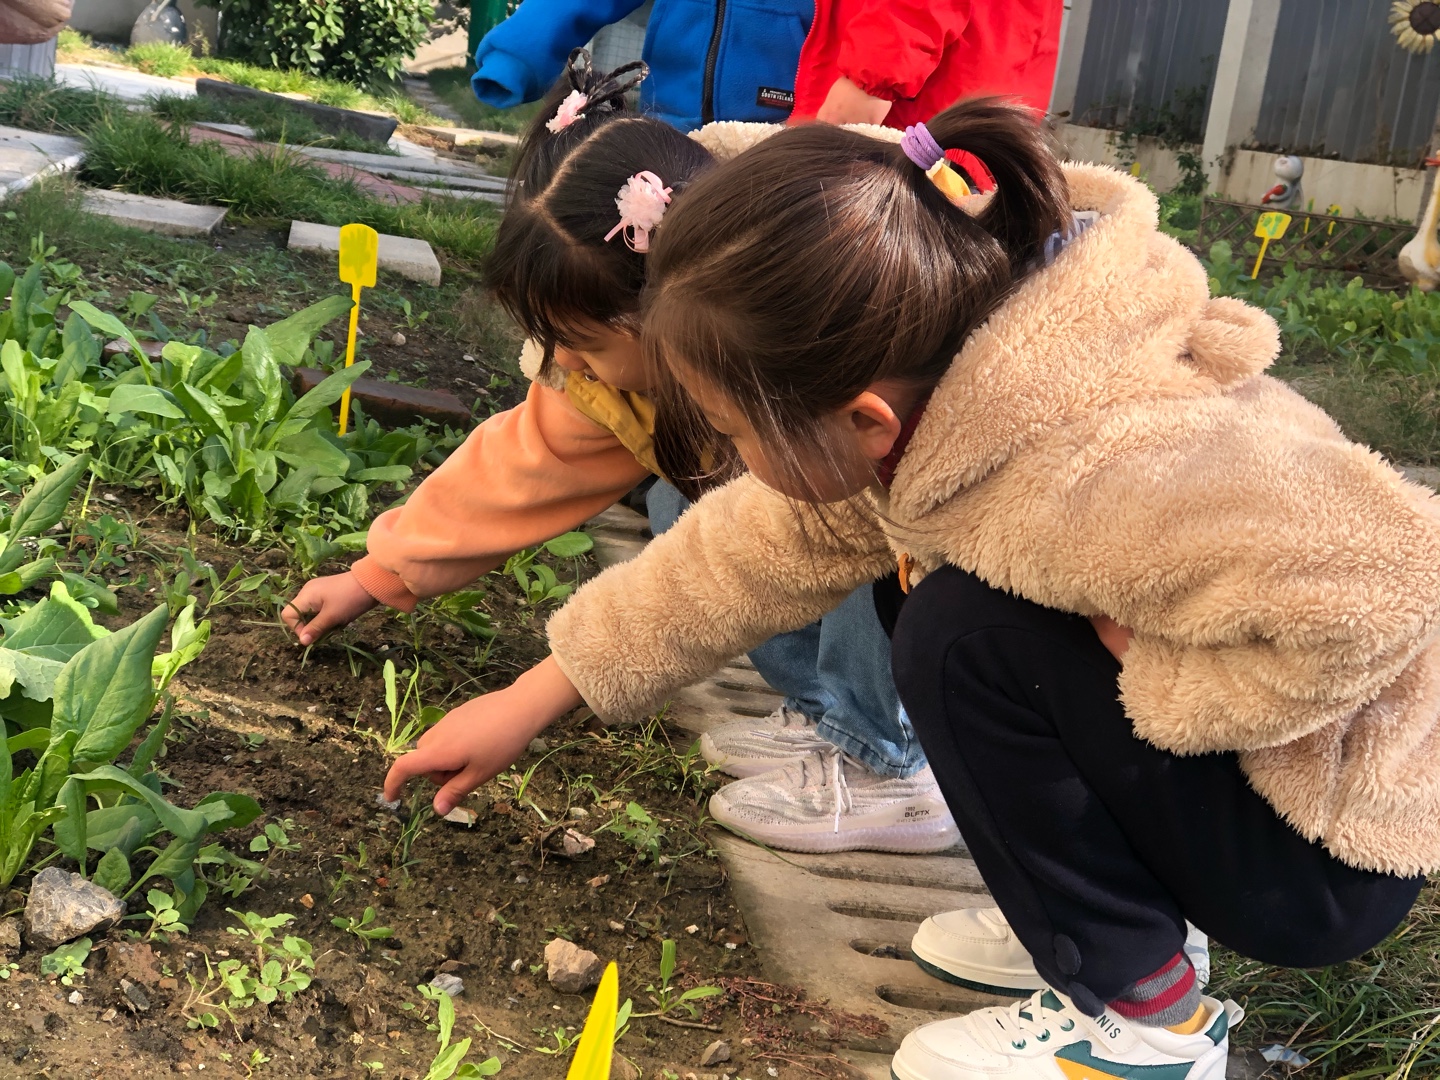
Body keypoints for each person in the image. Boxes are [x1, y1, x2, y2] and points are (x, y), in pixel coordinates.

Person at [389, 99, 1440, 1078]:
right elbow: (742, 555)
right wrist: (535, 695)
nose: (736, 463)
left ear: (864, 420)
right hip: (1258, 805)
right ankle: (1095, 925)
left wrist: (1168, 695)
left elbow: (1392, 578)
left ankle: (1142, 1021)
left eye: (741, 432)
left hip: (1317, 852)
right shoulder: (958, 410)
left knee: (959, 632)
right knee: (934, 598)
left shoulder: (1102, 467)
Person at [286, 51, 960, 856]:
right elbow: (524, 466)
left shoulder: (820, 351)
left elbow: (788, 540)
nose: (566, 364)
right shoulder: (620, 374)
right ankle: (827, 711)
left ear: (665, 312)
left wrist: (539, 694)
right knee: (685, 501)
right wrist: (378, 574)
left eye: (583, 342)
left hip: (930, 558)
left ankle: (887, 756)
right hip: (828, 538)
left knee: (840, 513)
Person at [470, 0, 1061, 132]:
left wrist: (869, 81)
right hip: (673, 115)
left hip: (792, 127)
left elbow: (901, 23)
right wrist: (523, 49)